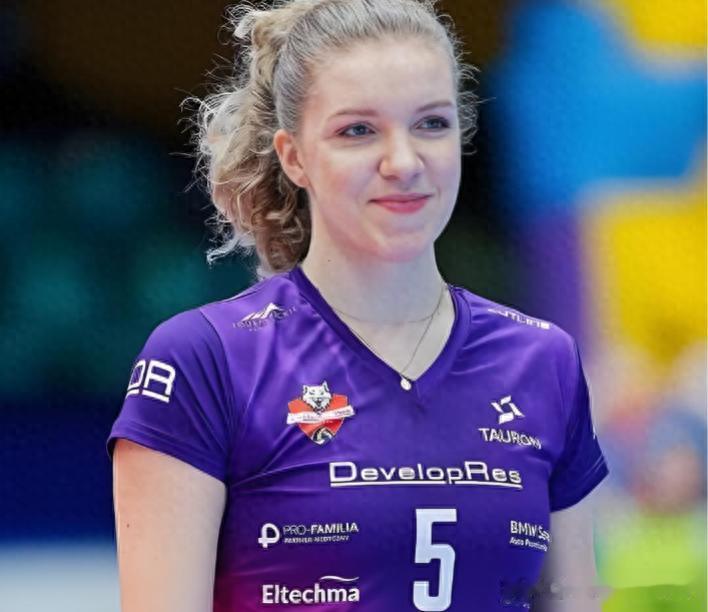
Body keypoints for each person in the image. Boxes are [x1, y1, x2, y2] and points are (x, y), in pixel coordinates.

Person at [107, 0, 610, 610]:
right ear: (294, 156)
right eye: (358, 131)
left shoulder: (544, 360)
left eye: (432, 123)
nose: (404, 162)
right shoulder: (204, 360)